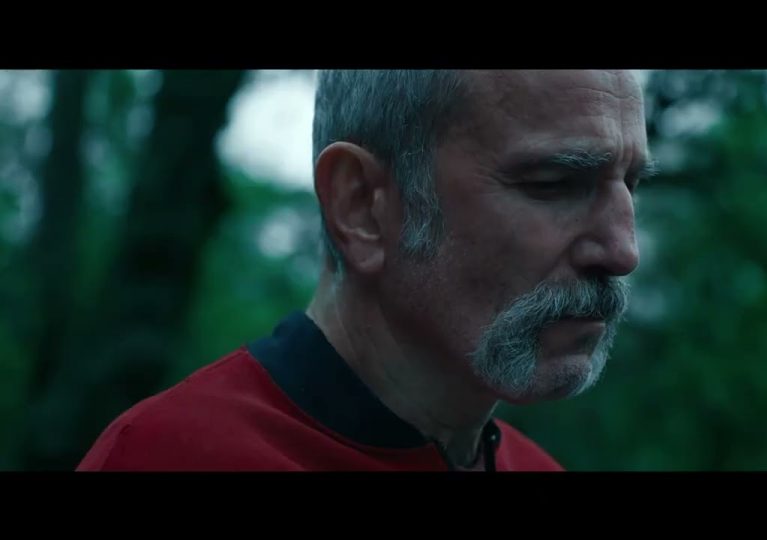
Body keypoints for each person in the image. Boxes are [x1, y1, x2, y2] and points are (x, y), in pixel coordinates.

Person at [76, 69, 649, 471]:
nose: (623, 252)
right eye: (554, 184)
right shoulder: (165, 458)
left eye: (631, 185)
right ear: (361, 207)